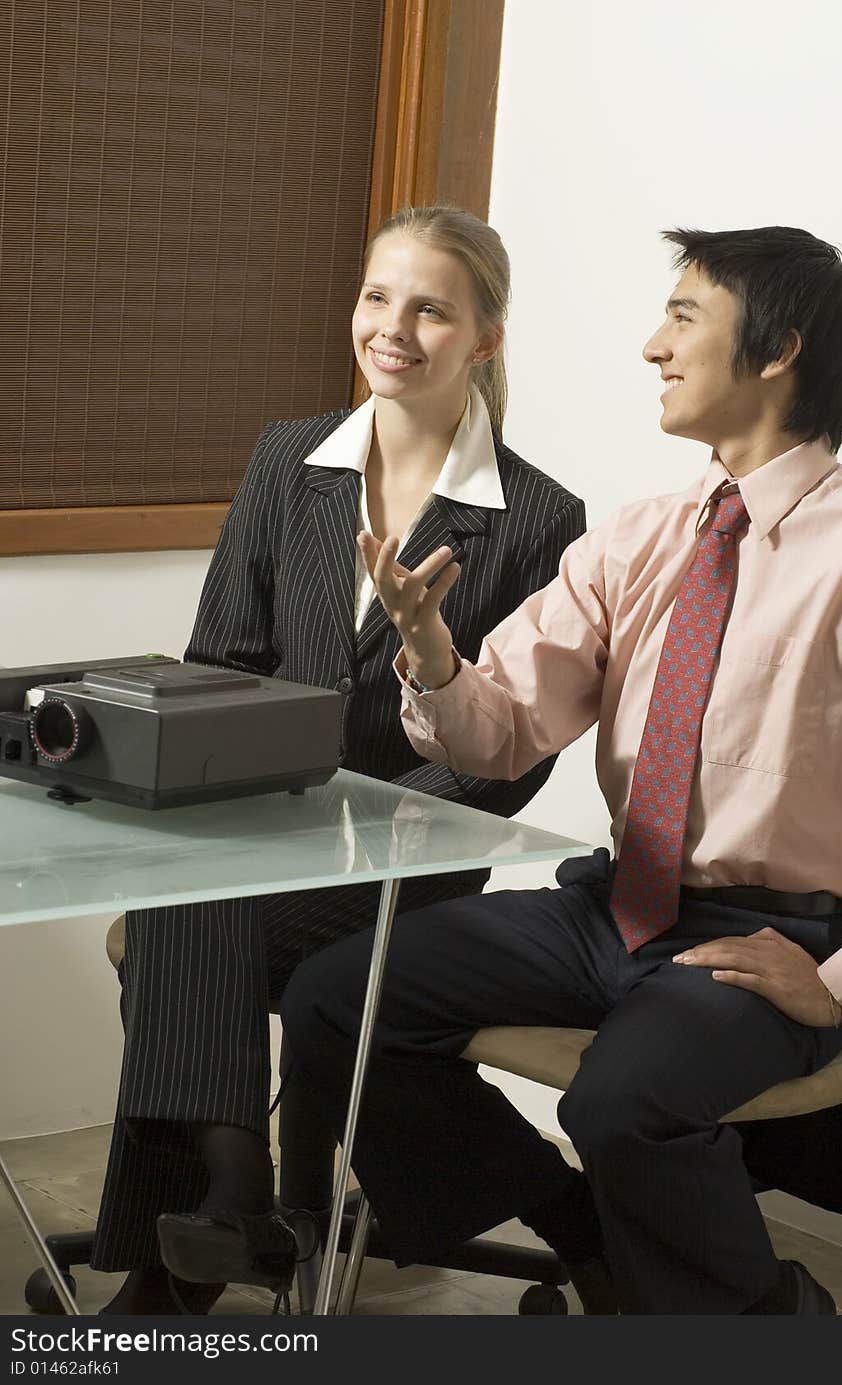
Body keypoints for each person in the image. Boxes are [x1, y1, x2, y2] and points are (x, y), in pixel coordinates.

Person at [282, 226, 842, 1315]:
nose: (653, 345)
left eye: (684, 317)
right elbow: (498, 730)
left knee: (623, 1103)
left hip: (779, 933)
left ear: (780, 345)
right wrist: (431, 656)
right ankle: (590, 1242)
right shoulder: (641, 539)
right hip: (615, 905)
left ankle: (769, 1318)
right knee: (335, 999)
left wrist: (839, 981)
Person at [90, 205, 586, 1314]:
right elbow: (215, 664)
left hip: (416, 854)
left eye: (429, 308)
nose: (393, 327)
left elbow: (513, 752)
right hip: (267, 832)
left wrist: (362, 827)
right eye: (377, 297)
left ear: (483, 339)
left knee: (187, 906)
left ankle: (189, 1255)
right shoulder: (287, 459)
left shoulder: (542, 517)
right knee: (194, 884)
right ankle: (239, 1193)